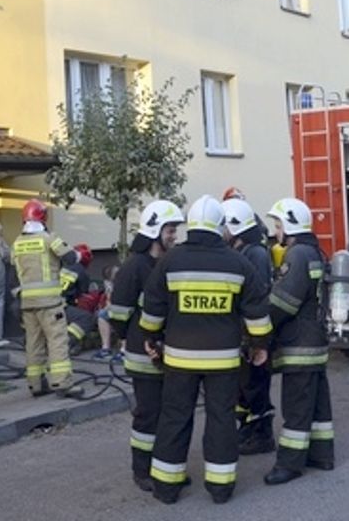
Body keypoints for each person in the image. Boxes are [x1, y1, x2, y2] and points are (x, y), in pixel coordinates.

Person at [141, 195, 273, 505]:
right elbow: (257, 311)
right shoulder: (238, 263)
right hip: (223, 361)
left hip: (178, 359)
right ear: (220, 226)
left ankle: (166, 486)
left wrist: (150, 337)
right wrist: (260, 346)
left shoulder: (170, 262)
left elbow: (153, 307)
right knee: (221, 419)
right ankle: (220, 486)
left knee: (174, 417)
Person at [107, 199, 184, 492]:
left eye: (175, 230)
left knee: (169, 415)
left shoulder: (167, 262)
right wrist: (137, 338)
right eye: (170, 230)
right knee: (148, 414)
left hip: (168, 352)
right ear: (154, 230)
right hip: (144, 356)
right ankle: (142, 471)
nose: (174, 236)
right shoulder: (135, 266)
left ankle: (164, 470)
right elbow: (118, 314)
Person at [263, 197, 335, 486]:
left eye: (278, 224)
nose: (276, 231)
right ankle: (321, 454)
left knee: (296, 404)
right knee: (317, 403)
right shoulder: (316, 252)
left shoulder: (297, 255)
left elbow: (284, 303)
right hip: (315, 340)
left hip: (298, 344)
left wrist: (260, 324)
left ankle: (289, 464)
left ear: (290, 225)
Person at [11, 199, 84, 398]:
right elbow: (71, 258)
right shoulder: (49, 238)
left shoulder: (17, 242)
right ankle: (62, 382)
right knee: (57, 341)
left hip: (27, 304)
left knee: (33, 343)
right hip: (50, 303)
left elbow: (14, 269)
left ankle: (36, 384)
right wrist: (78, 254)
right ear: (43, 217)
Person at [222, 197, 276, 455]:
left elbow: (255, 297)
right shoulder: (242, 251)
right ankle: (246, 428)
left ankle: (262, 435)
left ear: (234, 228)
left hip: (251, 333)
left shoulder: (254, 253)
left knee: (256, 385)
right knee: (243, 388)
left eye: (223, 226)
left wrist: (253, 340)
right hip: (241, 332)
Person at [62, 243, 96, 354]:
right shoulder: (81, 271)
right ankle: (66, 342)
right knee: (86, 318)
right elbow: (83, 294)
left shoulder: (60, 266)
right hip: (61, 305)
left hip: (45, 302)